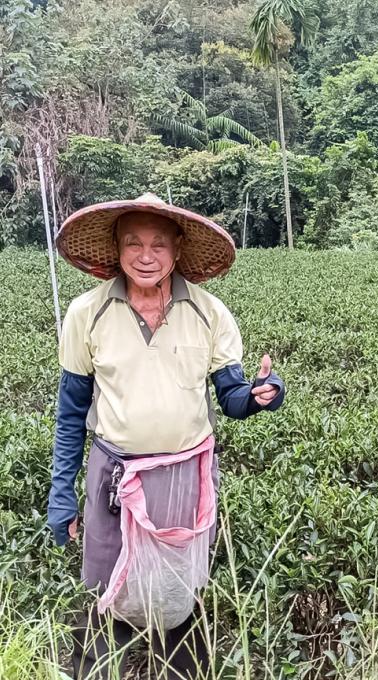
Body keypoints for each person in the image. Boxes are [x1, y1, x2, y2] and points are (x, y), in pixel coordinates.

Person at [46, 193, 285, 679]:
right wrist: (61, 493)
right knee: (104, 590)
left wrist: (262, 394)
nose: (145, 255)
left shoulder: (209, 312)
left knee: (180, 590)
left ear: (178, 250)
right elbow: (71, 412)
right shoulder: (85, 314)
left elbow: (232, 397)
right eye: (133, 242)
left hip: (183, 476)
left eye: (158, 243)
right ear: (116, 247)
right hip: (114, 475)